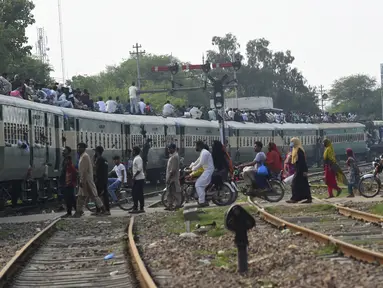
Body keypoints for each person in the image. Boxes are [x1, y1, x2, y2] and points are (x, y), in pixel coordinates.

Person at [74, 142, 105, 217]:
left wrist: (81, 180)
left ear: (84, 148)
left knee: (92, 195)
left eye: (80, 147)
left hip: (86, 180)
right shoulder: (82, 156)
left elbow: (84, 170)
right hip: (85, 180)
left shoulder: (85, 156)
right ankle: (79, 211)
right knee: (82, 196)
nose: (78, 149)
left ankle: (103, 209)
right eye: (78, 147)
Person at [287, 137, 312, 203]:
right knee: (303, 184)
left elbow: (302, 161)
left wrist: (304, 171)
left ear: (296, 142)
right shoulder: (295, 149)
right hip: (298, 169)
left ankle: (295, 198)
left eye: (292, 142)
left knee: (294, 183)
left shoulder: (299, 150)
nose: (291, 143)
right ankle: (306, 198)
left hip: (301, 169)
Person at [190, 140, 214, 207]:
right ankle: (203, 199)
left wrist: (194, 168)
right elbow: (198, 160)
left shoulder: (204, 153)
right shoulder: (203, 152)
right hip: (207, 170)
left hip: (208, 171)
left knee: (198, 185)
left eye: (196, 146)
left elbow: (201, 163)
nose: (195, 147)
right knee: (200, 185)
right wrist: (192, 165)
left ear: (199, 146)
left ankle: (202, 201)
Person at [94, 146, 110, 214]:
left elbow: (96, 169)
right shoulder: (105, 159)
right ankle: (106, 209)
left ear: (97, 152)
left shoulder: (99, 159)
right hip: (105, 179)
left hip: (100, 180)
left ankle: (99, 210)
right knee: (104, 195)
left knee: (97, 195)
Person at [165, 144, 181, 211]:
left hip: (173, 178)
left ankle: (177, 205)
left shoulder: (175, 157)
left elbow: (173, 170)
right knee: (169, 192)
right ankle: (170, 205)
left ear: (174, 148)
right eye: (168, 149)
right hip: (171, 178)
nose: (169, 150)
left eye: (170, 149)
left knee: (175, 192)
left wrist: (169, 178)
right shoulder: (173, 156)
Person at [130, 146, 145, 213]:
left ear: (135, 151)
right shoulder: (136, 158)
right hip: (138, 178)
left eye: (133, 151)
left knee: (136, 194)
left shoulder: (138, 159)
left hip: (138, 179)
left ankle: (138, 208)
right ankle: (138, 207)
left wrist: (134, 176)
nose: (132, 152)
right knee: (137, 193)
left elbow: (139, 169)